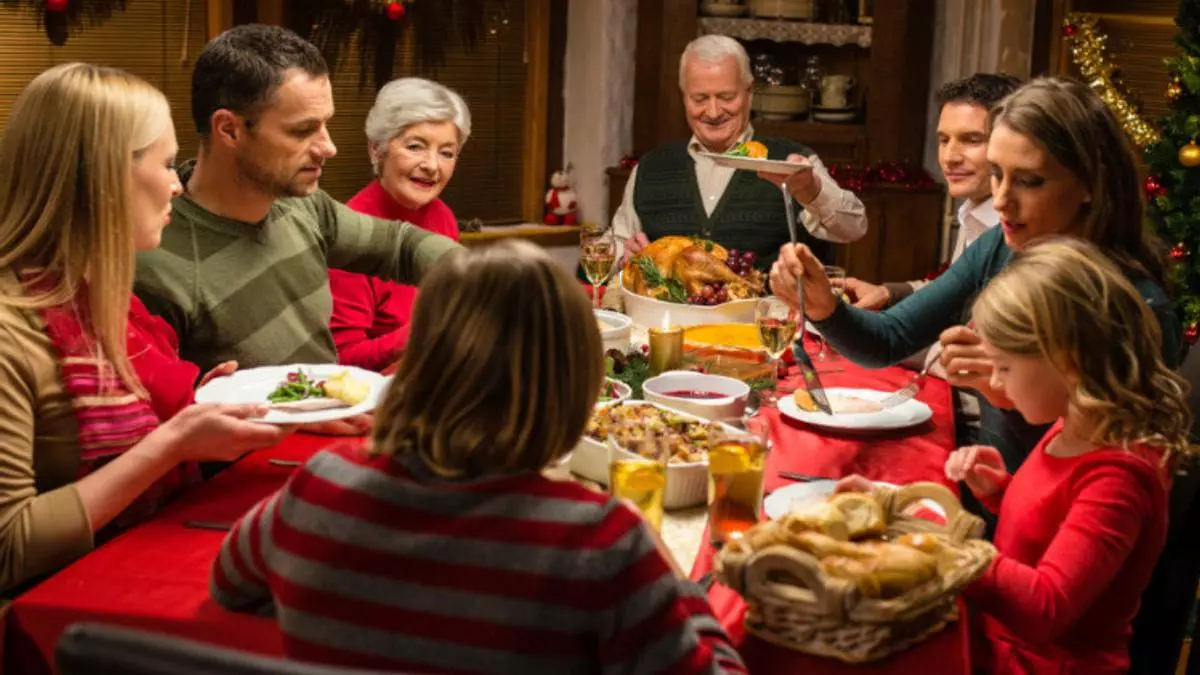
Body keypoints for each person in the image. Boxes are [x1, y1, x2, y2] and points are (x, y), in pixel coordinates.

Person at [210, 241, 747, 673]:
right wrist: (672, 576)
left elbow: (230, 585)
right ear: (574, 382)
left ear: (420, 359)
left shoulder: (323, 485)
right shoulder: (599, 542)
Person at [770, 77, 1180, 497]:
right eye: (998, 174)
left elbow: (1119, 495)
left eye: (1030, 180)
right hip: (998, 498)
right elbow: (887, 339)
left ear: (1092, 184)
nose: (1001, 199)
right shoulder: (1000, 246)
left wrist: (1002, 389)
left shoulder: (1137, 306)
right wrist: (824, 308)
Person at [0, 63, 288, 593]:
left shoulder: (100, 297)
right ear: (105, 178)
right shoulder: (10, 332)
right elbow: (8, 548)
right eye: (167, 164)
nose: (178, 185)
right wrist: (172, 443)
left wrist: (251, 410)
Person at [134, 24, 462, 377]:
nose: (328, 147)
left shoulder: (300, 206)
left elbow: (401, 245)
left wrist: (479, 279)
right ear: (229, 129)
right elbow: (157, 413)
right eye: (303, 131)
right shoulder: (157, 263)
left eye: (325, 125)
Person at [946, 239, 1189, 673]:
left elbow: (1047, 607)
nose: (996, 384)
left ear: (1069, 362)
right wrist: (1004, 492)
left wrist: (948, 551)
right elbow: (1059, 526)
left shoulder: (1118, 478)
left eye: (1005, 368)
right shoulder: (1073, 426)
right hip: (1006, 646)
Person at [612, 35, 866, 274]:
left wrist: (812, 190)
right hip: (665, 320)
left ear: (749, 92)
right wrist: (625, 256)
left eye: (726, 97)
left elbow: (854, 228)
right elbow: (610, 250)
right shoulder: (652, 167)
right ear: (683, 97)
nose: (712, 112)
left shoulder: (791, 161)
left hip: (766, 319)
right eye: (700, 98)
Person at [838, 73, 1021, 312]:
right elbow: (954, 292)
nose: (950, 157)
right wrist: (889, 292)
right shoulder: (973, 209)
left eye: (972, 140)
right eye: (944, 140)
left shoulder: (1019, 230)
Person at [330, 77, 468, 372]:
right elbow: (341, 360)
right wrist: (426, 329)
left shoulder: (442, 215)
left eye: (447, 152)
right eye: (416, 146)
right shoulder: (348, 233)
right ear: (376, 149)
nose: (432, 165)